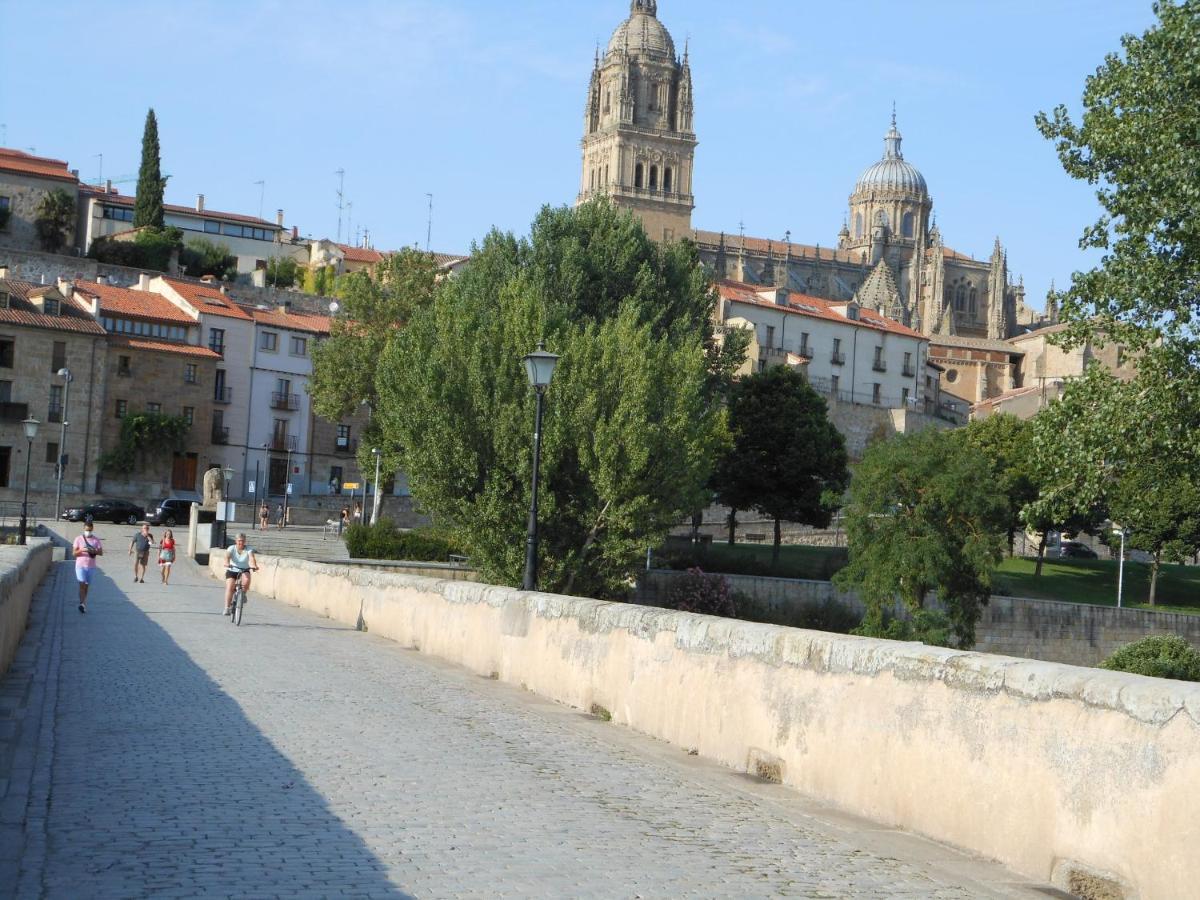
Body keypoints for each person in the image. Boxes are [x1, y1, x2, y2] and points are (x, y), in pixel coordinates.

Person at [223, 533, 259, 616]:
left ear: (245, 541)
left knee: (246, 580)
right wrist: (227, 563)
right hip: (232, 569)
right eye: (239, 541)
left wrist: (254, 565)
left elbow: (251, 558)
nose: (241, 543)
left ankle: (243, 594)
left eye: (242, 541)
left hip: (244, 569)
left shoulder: (248, 549)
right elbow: (227, 557)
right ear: (236, 541)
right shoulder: (231, 548)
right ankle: (227, 608)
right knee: (230, 586)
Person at [72, 519, 103, 613]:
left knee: (86, 586)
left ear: (92, 529)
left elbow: (101, 552)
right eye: (86, 530)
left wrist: (94, 551)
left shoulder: (96, 540)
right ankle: (81, 603)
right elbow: (74, 553)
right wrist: (82, 550)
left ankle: (84, 603)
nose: (88, 532)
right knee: (81, 584)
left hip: (91, 566)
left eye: (89, 530)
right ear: (83, 529)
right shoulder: (78, 539)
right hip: (80, 565)